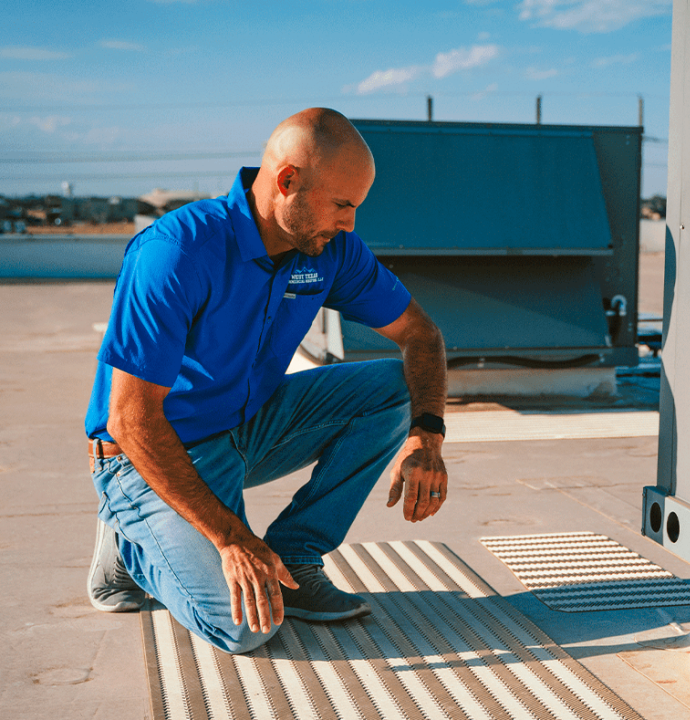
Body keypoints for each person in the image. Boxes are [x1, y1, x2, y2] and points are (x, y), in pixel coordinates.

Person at [84, 108, 449, 654]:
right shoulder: (178, 252)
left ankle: (296, 556)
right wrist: (232, 538)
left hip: (245, 429)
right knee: (247, 628)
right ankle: (130, 544)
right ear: (287, 181)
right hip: (147, 455)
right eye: (342, 205)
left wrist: (427, 436)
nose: (350, 223)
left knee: (394, 388)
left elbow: (421, 335)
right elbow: (131, 419)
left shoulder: (329, 250)